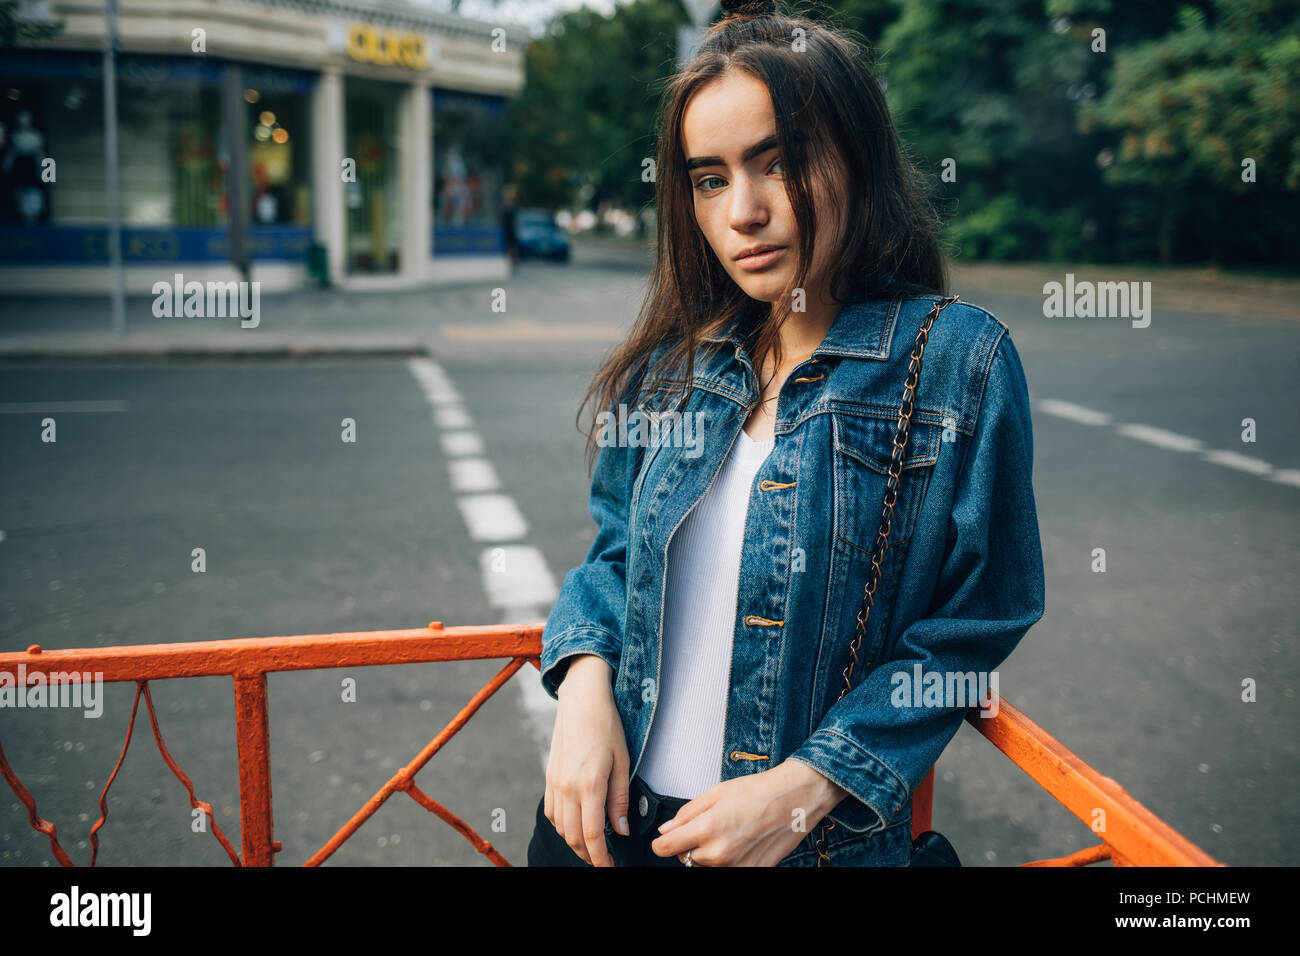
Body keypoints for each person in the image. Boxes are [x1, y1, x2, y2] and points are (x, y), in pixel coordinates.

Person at [528, 0, 1045, 867]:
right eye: (710, 178)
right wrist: (583, 687)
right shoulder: (677, 363)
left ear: (857, 161)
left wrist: (809, 786)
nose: (745, 211)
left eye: (781, 162)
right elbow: (615, 556)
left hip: (803, 849)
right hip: (603, 831)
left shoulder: (956, 360)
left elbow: (976, 624)